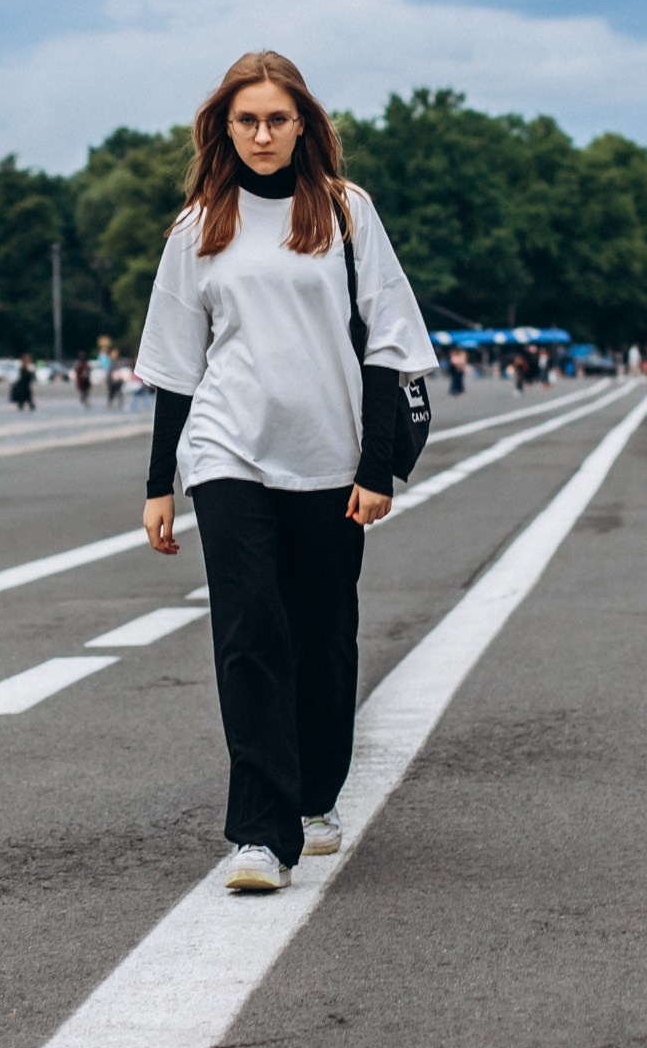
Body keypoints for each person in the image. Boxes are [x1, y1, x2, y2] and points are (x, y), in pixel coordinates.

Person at [136, 50, 435, 897]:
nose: (262, 134)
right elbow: (175, 367)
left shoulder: (345, 213)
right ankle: (259, 836)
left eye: (276, 118)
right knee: (248, 634)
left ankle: (314, 798)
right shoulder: (199, 229)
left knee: (322, 637)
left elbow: (388, 345)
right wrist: (163, 482)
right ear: (223, 129)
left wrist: (376, 470)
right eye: (246, 120)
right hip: (229, 453)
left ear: (303, 124)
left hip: (331, 459)